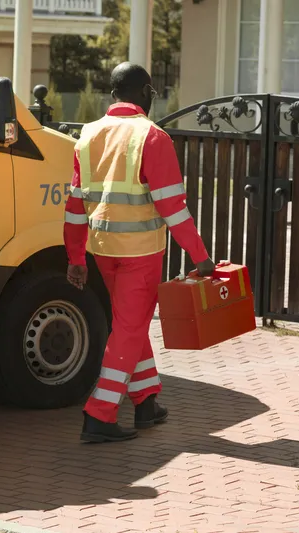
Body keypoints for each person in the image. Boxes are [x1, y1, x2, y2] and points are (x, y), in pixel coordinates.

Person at [63, 62, 215, 443]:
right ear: (146, 92)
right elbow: (172, 208)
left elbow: (74, 204)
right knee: (128, 329)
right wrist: (200, 256)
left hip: (102, 248)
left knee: (130, 324)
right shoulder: (153, 137)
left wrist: (76, 257)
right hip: (140, 252)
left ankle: (146, 401)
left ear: (113, 93)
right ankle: (99, 414)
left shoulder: (87, 135)